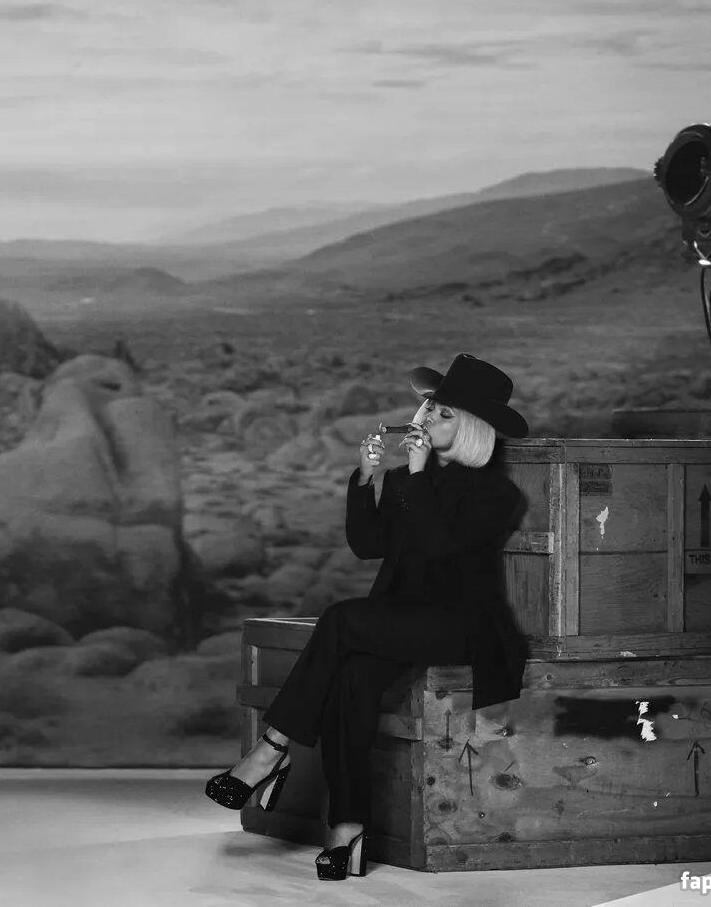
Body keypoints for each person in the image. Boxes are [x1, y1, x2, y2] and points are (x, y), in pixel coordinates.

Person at [204, 353, 529, 882]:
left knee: (340, 619)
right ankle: (347, 826)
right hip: (400, 619)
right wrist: (365, 478)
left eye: (444, 413)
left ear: (472, 427)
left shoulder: (496, 493)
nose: (428, 418)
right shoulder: (405, 479)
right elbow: (368, 545)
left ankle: (272, 749)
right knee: (352, 678)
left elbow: (441, 549)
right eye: (430, 408)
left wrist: (417, 478)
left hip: (462, 625)